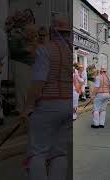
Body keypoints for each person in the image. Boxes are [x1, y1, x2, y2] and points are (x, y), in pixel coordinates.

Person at [20, 16, 71, 180]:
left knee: (37, 151)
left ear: (52, 31)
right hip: (68, 104)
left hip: (48, 104)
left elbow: (38, 83)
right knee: (59, 152)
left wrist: (27, 108)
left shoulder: (45, 50)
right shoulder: (72, 51)